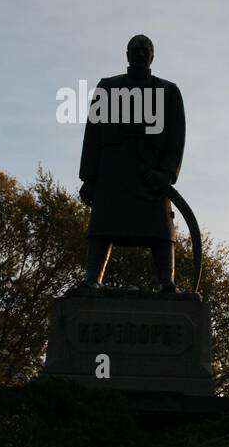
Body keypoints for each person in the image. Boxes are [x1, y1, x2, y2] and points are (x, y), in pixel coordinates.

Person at [78, 34, 186, 290]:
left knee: (161, 228)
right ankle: (92, 279)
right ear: (126, 54)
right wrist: (89, 178)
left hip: (151, 174)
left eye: (144, 48)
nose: (139, 52)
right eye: (134, 48)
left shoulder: (168, 91)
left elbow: (176, 137)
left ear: (152, 56)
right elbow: (92, 135)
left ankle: (167, 282)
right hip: (112, 172)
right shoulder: (107, 87)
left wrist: (167, 173)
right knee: (103, 225)